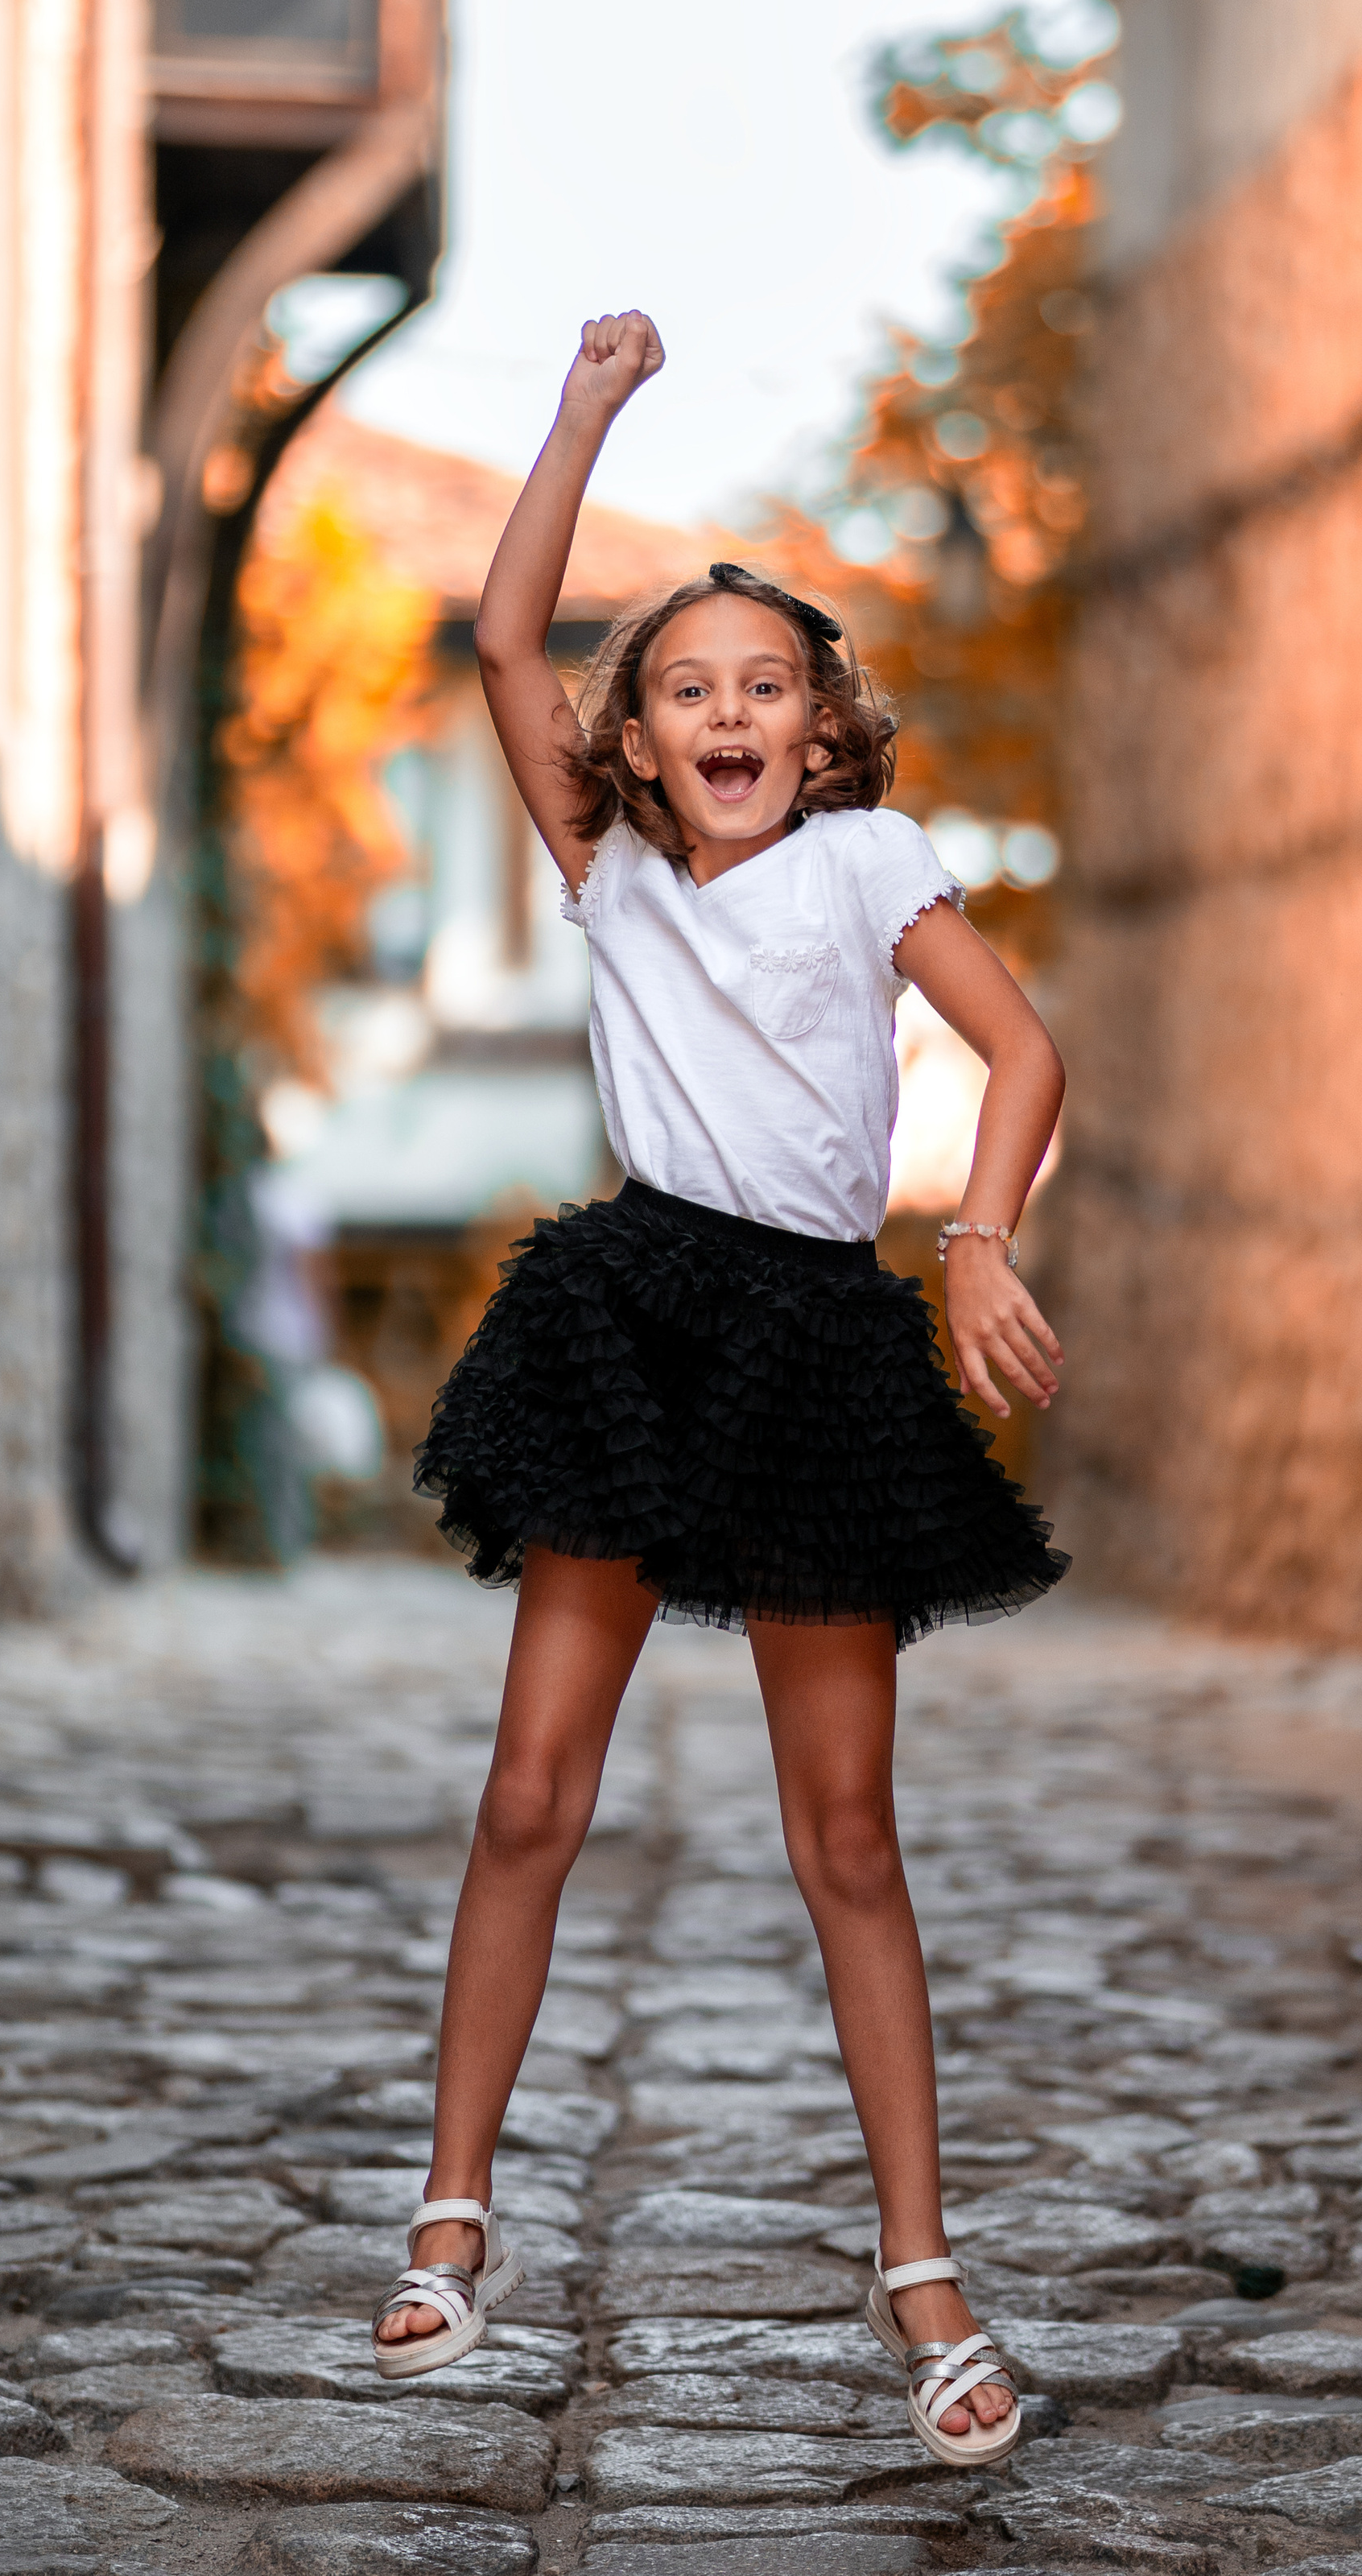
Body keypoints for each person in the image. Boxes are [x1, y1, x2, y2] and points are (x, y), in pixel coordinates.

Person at [369, 312, 1069, 2467]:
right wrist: (587, 410)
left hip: (823, 1340)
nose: (731, 712)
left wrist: (977, 1239)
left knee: (847, 1833)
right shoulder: (610, 872)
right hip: (632, 1312)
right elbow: (507, 639)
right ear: (643, 746)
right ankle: (453, 2215)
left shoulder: (870, 862)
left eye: (769, 684)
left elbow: (1023, 1050)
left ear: (822, 730)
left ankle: (920, 2266)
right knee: (531, 1794)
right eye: (689, 689)